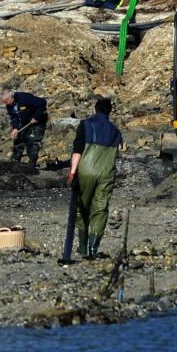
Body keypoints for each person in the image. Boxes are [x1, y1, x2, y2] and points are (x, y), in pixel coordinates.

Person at [68, 97, 123, 259]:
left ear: (95, 109)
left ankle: (83, 247)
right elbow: (119, 149)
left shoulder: (85, 124)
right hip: (106, 173)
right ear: (109, 112)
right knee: (100, 209)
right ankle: (93, 248)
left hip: (86, 170)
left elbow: (77, 149)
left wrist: (72, 171)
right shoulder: (115, 131)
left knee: (82, 207)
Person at [0, 88, 48, 169]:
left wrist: (36, 117)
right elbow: (14, 117)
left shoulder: (24, 97)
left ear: (12, 97)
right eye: (4, 102)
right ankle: (14, 161)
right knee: (18, 139)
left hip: (38, 121)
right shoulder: (9, 106)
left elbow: (42, 102)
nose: (5, 103)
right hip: (25, 122)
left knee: (32, 141)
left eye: (6, 101)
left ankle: (32, 164)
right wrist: (15, 128)